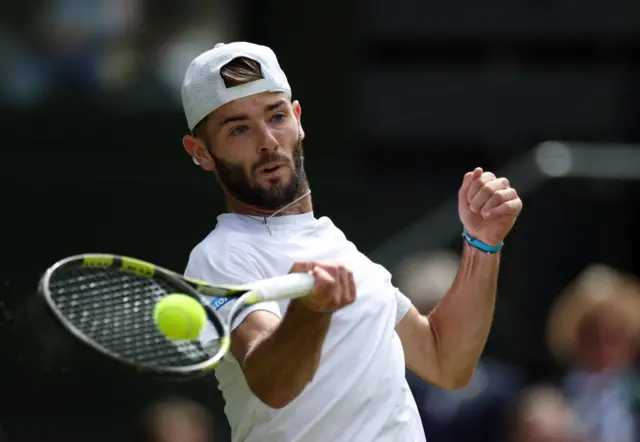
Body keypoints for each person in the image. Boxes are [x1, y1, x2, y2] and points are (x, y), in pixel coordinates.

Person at [180, 41, 523, 442]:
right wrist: (310, 313)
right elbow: (271, 384)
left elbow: (446, 361)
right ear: (201, 152)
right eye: (238, 128)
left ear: (297, 118)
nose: (267, 140)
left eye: (276, 116)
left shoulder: (337, 244)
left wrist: (482, 245)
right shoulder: (217, 257)